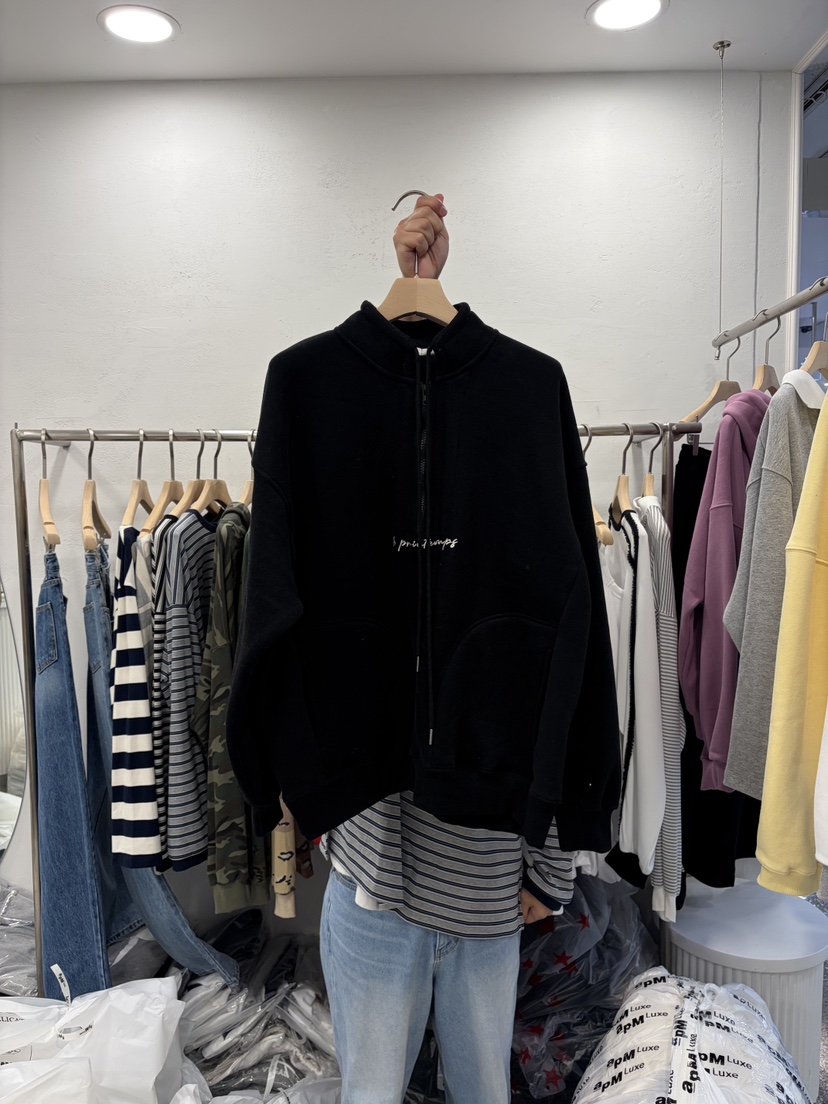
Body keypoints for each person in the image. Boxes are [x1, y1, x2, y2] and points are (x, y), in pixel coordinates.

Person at [318, 193, 575, 1104]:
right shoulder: (327, 402)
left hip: (487, 884)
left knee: (481, 1092)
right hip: (373, 873)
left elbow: (568, 645)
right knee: (370, 1093)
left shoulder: (526, 402)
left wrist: (551, 863)